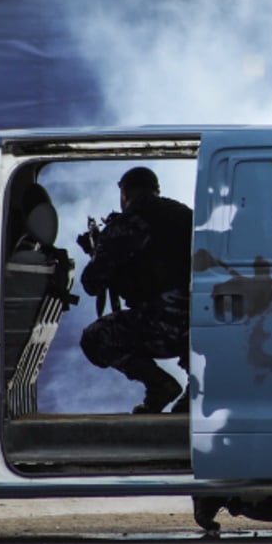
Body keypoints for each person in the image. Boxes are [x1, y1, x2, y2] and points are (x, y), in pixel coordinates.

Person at [79, 167, 193, 414]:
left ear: (125, 192)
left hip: (165, 324)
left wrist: (97, 250)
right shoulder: (185, 214)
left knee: (95, 338)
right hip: (206, 321)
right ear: (156, 189)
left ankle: (159, 385)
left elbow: (92, 283)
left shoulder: (128, 222)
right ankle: (198, 388)